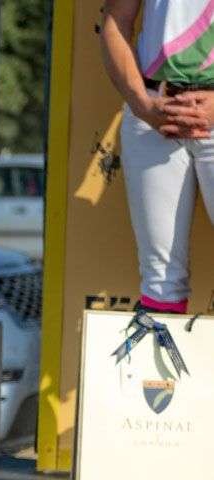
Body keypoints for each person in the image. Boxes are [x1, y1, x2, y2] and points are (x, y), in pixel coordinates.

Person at [102, 0, 214, 314]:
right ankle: (158, 358)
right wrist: (141, 103)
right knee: (160, 281)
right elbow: (115, 18)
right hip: (153, 112)